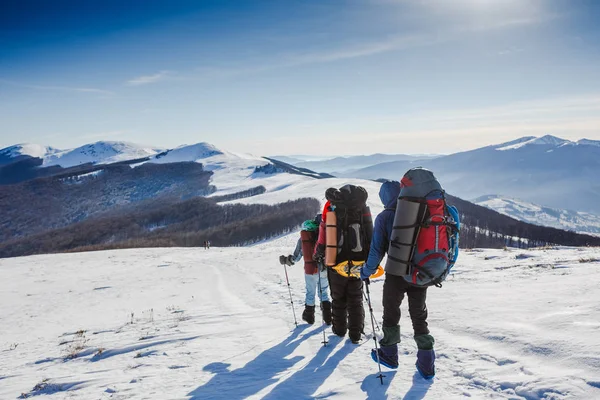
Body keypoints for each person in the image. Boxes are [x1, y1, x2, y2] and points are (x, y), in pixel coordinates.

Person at [360, 180, 436, 378]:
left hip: (396, 274)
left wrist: (365, 272)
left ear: (385, 197)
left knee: (391, 312)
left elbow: (376, 252)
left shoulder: (384, 217)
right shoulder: (420, 211)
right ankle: (427, 363)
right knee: (419, 315)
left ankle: (389, 355)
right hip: (420, 273)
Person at [314, 185, 373, 344]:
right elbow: (370, 235)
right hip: (358, 262)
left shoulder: (333, 209)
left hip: (336, 261)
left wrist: (318, 253)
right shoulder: (361, 209)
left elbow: (323, 235)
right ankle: (356, 333)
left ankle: (339, 330)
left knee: (338, 298)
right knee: (355, 299)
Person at [279, 215, 332, 325]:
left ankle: (309, 316)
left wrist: (286, 260)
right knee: (324, 293)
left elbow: (296, 257)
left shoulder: (303, 238)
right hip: (324, 269)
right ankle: (328, 317)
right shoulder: (324, 235)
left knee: (310, 293)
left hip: (310, 271)